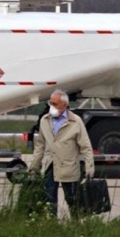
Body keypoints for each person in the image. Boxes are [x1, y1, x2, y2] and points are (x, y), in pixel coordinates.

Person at [27, 89, 95, 218]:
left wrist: (89, 167)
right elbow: (40, 145)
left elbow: (86, 147)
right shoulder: (44, 120)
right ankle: (51, 224)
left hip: (68, 167)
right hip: (50, 166)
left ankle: (76, 224)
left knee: (72, 199)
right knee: (49, 199)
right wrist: (34, 166)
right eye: (50, 103)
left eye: (55, 103)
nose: (51, 106)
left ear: (64, 105)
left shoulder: (76, 121)